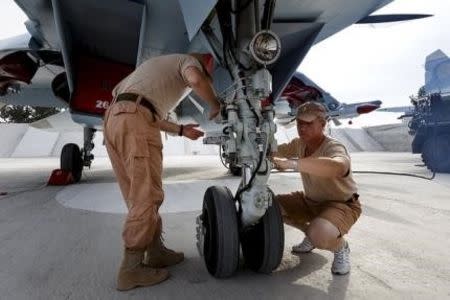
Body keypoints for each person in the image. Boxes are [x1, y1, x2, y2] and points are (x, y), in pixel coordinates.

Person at [103, 53, 221, 291]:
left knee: (138, 196)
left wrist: (180, 130)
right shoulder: (189, 62)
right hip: (135, 121)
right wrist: (215, 103)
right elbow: (196, 79)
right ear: (204, 64)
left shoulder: (152, 69)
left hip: (115, 120)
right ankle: (131, 269)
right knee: (146, 197)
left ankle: (155, 251)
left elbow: (136, 105)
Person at [272, 101, 361, 275]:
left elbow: (338, 167)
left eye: (309, 123)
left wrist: (292, 164)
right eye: (299, 123)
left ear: (322, 123)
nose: (302, 128)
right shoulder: (299, 144)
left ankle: (340, 247)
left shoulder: (333, 146)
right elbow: (275, 151)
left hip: (341, 205)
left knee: (320, 234)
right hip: (310, 201)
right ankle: (311, 236)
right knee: (269, 207)